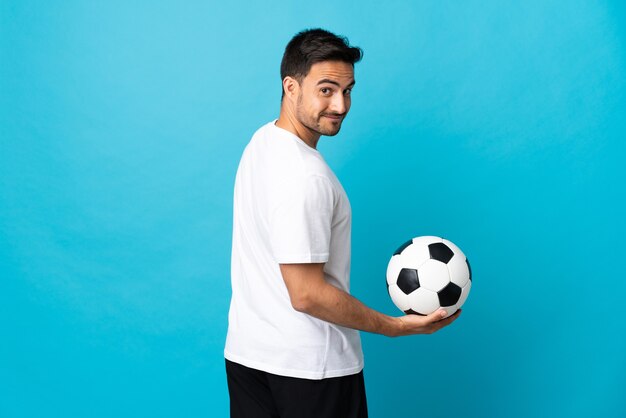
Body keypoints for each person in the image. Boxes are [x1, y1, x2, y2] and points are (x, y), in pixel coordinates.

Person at [224, 28, 461, 418]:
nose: (340, 105)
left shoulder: (262, 142)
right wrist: (393, 326)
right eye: (326, 90)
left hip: (249, 359)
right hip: (312, 372)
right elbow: (306, 293)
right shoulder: (305, 176)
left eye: (348, 90)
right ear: (291, 86)